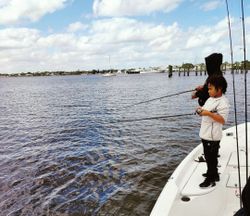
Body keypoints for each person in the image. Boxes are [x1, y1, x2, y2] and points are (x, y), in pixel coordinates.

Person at [196, 75, 229, 188]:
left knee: (211, 158)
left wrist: (208, 114)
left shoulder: (223, 102)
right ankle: (214, 174)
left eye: (210, 89)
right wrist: (199, 110)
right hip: (205, 134)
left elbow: (222, 120)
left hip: (213, 136)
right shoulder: (210, 99)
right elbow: (204, 110)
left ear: (219, 89)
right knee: (209, 157)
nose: (208, 91)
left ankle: (210, 178)